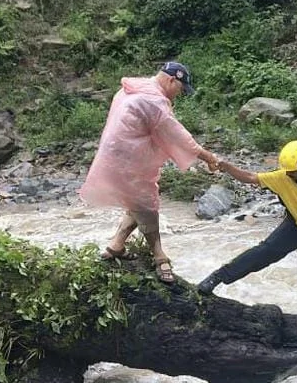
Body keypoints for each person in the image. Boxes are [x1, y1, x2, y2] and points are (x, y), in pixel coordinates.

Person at [78, 62, 219, 283]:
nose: (179, 95)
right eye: (180, 89)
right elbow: (178, 137)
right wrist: (208, 156)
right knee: (146, 204)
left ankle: (116, 245)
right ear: (172, 80)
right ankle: (159, 256)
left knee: (136, 201)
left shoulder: (133, 88)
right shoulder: (153, 101)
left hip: (112, 153)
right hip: (128, 160)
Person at [198, 141, 297, 294]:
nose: (289, 174)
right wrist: (227, 167)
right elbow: (250, 177)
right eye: (287, 171)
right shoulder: (282, 177)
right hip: (296, 227)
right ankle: (217, 277)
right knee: (263, 252)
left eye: (293, 171)